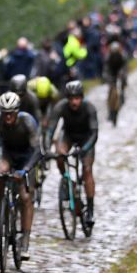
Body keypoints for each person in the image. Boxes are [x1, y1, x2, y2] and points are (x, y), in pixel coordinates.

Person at [0, 92, 41, 259]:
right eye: (5, 113)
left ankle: (25, 239)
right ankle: (3, 207)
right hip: (8, 154)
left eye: (11, 113)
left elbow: (37, 150)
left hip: (27, 157)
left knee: (26, 197)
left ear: (17, 111)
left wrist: (26, 170)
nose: (8, 117)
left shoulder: (27, 121)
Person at [45, 80, 99, 225]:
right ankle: (67, 181)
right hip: (68, 135)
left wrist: (84, 150)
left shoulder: (90, 108)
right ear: (67, 99)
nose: (74, 102)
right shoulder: (60, 107)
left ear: (81, 98)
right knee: (60, 155)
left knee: (87, 170)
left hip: (86, 138)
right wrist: (46, 150)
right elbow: (50, 130)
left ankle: (91, 211)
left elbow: (94, 134)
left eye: (77, 98)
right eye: (71, 99)